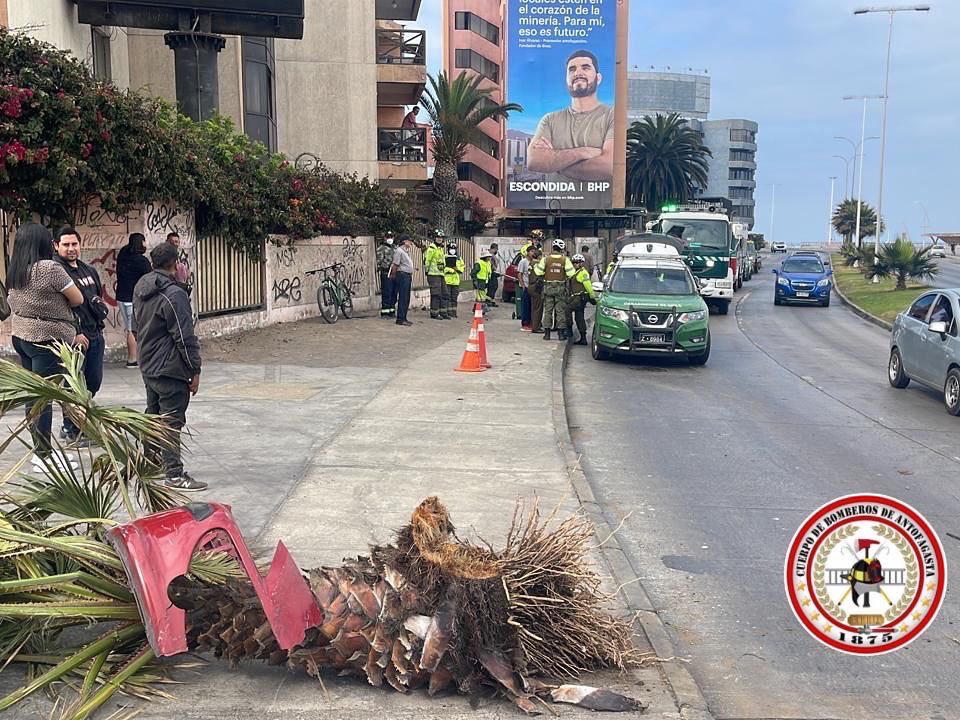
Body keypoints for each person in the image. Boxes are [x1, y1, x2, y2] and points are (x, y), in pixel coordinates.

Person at [7, 223, 86, 471]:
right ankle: (44, 455)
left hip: (22, 336)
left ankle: (39, 450)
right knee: (45, 399)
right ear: (44, 244)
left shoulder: (16, 268)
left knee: (35, 396)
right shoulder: (50, 269)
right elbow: (78, 298)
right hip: (47, 340)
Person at [133, 242, 205, 491]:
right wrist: (195, 369)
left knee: (153, 413)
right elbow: (184, 337)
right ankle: (173, 473)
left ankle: (150, 459)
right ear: (175, 263)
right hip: (169, 367)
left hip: (148, 363)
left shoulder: (142, 287)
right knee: (171, 420)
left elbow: (136, 326)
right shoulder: (174, 295)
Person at [54, 226, 108, 447]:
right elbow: (57, 307)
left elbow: (97, 298)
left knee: (92, 383)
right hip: (75, 339)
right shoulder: (56, 271)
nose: (71, 248)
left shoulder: (89, 270)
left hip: (95, 335)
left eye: (74, 244)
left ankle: (79, 422)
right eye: (65, 244)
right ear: (56, 246)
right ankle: (71, 428)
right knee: (73, 385)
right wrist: (73, 332)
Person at [526, 50, 614, 183]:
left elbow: (607, 167)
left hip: (600, 205)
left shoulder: (612, 116)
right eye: (572, 69)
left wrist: (555, 164)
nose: (578, 73)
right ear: (566, 79)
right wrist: (583, 152)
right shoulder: (550, 120)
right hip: (556, 204)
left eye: (585, 67)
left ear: (598, 78)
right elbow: (534, 161)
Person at [116, 232, 151, 367]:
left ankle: (134, 357)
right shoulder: (142, 261)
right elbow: (150, 279)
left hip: (121, 296)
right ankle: (132, 359)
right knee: (133, 329)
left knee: (129, 328)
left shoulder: (123, 255)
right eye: (143, 241)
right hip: (134, 299)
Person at [533, 239, 575, 340]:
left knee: (547, 311)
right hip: (560, 289)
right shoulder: (565, 260)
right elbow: (571, 273)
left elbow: (538, 272)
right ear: (562, 249)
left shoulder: (545, 259)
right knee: (560, 311)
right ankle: (560, 335)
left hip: (548, 288)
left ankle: (547, 335)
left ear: (553, 248)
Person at [567, 254, 597, 345]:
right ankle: (583, 338)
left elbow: (588, 286)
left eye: (577, 262)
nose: (575, 264)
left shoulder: (583, 273)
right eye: (574, 263)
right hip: (575, 297)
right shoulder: (576, 272)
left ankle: (569, 331)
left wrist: (592, 297)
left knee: (567, 309)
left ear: (581, 263)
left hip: (580, 297)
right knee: (579, 317)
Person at [391, 234, 415, 326]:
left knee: (406, 297)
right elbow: (395, 265)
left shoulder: (405, 251)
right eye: (409, 241)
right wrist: (393, 276)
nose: (410, 242)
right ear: (404, 241)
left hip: (407, 275)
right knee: (403, 297)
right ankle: (400, 318)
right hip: (402, 275)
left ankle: (404, 317)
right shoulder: (399, 251)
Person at [425, 230, 449, 319]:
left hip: (441, 274)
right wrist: (427, 271)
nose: (440, 239)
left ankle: (443, 312)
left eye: (441, 238)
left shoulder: (440, 249)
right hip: (433, 274)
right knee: (436, 294)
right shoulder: (431, 249)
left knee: (444, 293)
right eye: (438, 237)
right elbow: (427, 261)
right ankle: (434, 313)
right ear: (434, 238)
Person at [443, 240, 465, 319]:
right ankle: (448, 312)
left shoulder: (459, 259)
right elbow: (442, 268)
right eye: (451, 248)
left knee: (454, 298)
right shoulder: (444, 257)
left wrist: (456, 268)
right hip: (447, 281)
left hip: (456, 282)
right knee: (447, 297)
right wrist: (450, 270)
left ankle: (454, 312)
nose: (452, 250)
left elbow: (462, 268)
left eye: (454, 248)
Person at [377, 232, 396, 318]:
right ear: (384, 238)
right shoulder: (381, 248)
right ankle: (385, 312)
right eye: (388, 237)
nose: (390, 239)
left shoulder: (395, 248)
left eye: (391, 237)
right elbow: (379, 261)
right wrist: (387, 266)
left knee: (394, 292)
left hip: (395, 273)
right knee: (387, 292)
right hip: (386, 272)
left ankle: (392, 310)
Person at [527, 248, 544, 334]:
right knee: (538, 308)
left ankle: (535, 324)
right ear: (539, 256)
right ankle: (536, 327)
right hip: (536, 286)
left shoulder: (531, 262)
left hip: (531, 285)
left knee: (534, 307)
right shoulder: (537, 263)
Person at [517, 246, 535, 330]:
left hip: (533, 287)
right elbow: (519, 274)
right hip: (526, 286)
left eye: (534, 251)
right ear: (527, 252)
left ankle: (532, 322)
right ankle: (525, 323)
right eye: (531, 251)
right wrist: (523, 285)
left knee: (533, 306)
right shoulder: (523, 262)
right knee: (525, 306)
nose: (533, 253)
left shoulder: (535, 262)